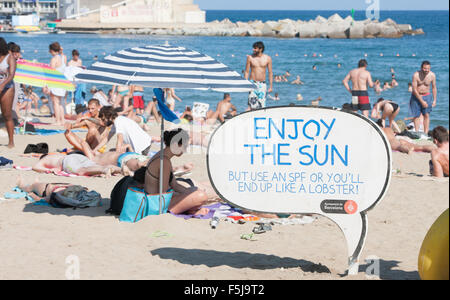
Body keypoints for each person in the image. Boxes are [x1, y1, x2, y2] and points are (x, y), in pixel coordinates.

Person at [142, 128, 208, 216]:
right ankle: (189, 210)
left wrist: (189, 192)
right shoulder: (164, 162)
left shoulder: (163, 156)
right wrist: (187, 197)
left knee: (194, 190)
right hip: (157, 204)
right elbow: (163, 193)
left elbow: (174, 185)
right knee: (201, 196)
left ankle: (189, 207)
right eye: (184, 146)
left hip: (156, 198)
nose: (184, 150)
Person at [32, 153, 122, 177]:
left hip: (66, 161)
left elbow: (35, 167)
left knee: (81, 171)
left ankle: (104, 170)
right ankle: (121, 170)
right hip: (76, 156)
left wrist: (48, 170)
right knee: (95, 166)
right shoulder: (54, 155)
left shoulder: (44, 158)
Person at [410, 61, 437, 135]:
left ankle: (425, 133)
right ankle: (417, 133)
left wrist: (434, 100)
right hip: (416, 96)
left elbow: (434, 88)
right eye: (425, 68)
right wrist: (421, 101)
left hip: (427, 96)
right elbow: (414, 90)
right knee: (416, 115)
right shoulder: (416, 75)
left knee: (426, 115)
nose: (426, 70)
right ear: (421, 68)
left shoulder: (432, 75)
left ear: (430, 68)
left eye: (428, 68)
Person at [244, 41, 273, 110]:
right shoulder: (250, 58)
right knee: (253, 105)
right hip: (252, 83)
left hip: (262, 84)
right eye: (253, 48)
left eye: (255, 48)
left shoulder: (267, 58)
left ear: (261, 49)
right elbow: (247, 72)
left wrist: (271, 86)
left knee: (262, 105)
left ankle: (261, 119)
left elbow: (270, 73)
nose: (253, 50)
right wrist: (245, 84)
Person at [0, 37, 17, 148]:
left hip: (7, 88)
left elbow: (11, 75)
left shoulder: (9, 57)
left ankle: (11, 141)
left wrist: (2, 84)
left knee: (7, 115)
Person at [46, 42, 67, 126]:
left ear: (51, 50)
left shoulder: (54, 59)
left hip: (55, 82)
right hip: (62, 82)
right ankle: (62, 120)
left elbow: (50, 72)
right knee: (61, 102)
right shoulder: (63, 58)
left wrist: (47, 85)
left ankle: (57, 120)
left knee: (55, 102)